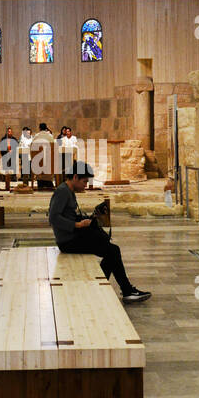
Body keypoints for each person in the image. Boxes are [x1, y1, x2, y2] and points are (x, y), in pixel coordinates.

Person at [49, 162, 151, 303]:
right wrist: (78, 224)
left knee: (111, 250)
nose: (86, 185)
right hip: (68, 241)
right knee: (112, 251)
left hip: (73, 236)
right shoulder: (62, 192)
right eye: (84, 181)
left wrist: (90, 218)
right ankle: (121, 290)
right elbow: (53, 217)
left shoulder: (69, 191)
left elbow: (67, 215)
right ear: (75, 177)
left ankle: (115, 288)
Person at [32, 123, 55, 188]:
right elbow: (53, 147)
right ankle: (48, 182)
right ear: (46, 128)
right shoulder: (50, 136)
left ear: (39, 128)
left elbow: (32, 147)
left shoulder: (36, 136)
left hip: (38, 162)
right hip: (49, 162)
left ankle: (41, 181)